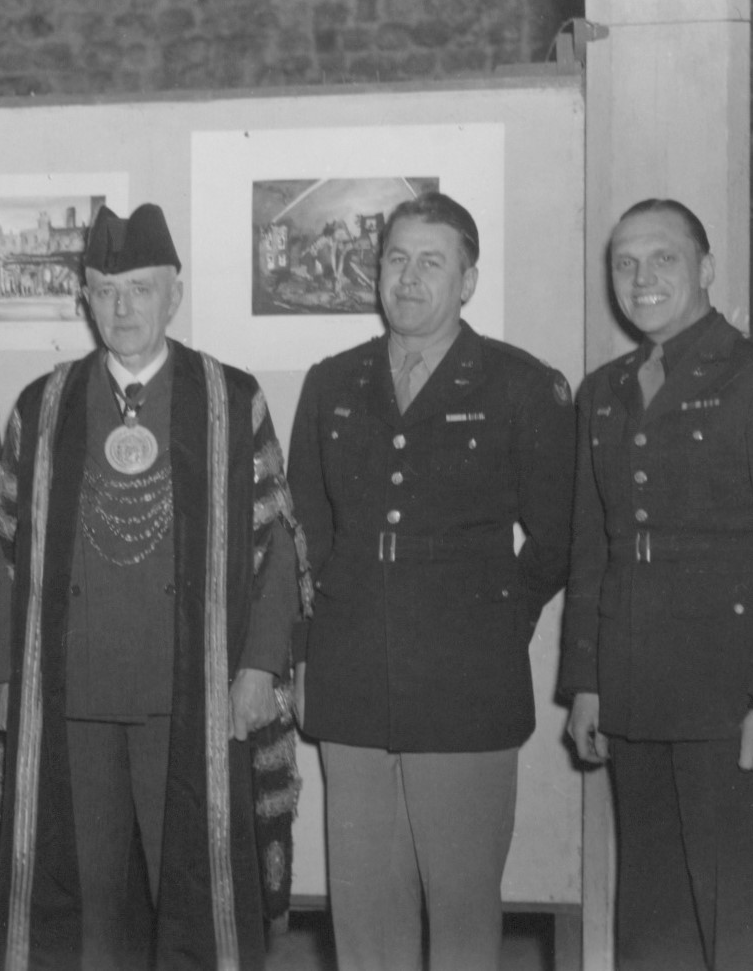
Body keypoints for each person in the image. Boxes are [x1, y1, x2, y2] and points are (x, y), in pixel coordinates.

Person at [0, 203, 309, 971]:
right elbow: (3, 548)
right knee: (83, 901)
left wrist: (259, 669)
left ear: (174, 293)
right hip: (70, 697)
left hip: (190, 694)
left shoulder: (229, 398)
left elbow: (276, 547)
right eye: (103, 290)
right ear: (85, 300)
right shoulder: (44, 402)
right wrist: (2, 675)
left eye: (139, 289)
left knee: (193, 891)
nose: (121, 308)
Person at [561, 199, 753, 970]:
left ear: (704, 269)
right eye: (624, 263)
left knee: (740, 923)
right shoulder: (604, 391)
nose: (640, 278)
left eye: (661, 258)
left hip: (737, 702)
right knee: (653, 927)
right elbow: (595, 548)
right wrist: (587, 681)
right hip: (636, 694)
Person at [287, 191, 575, 971]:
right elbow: (304, 534)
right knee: (364, 911)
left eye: (431, 262)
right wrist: (305, 654)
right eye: (395, 259)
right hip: (350, 676)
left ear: (467, 280)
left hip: (465, 683)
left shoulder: (520, 385)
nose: (408, 279)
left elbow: (560, 535)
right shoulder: (331, 383)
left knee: (459, 908)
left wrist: (496, 617)